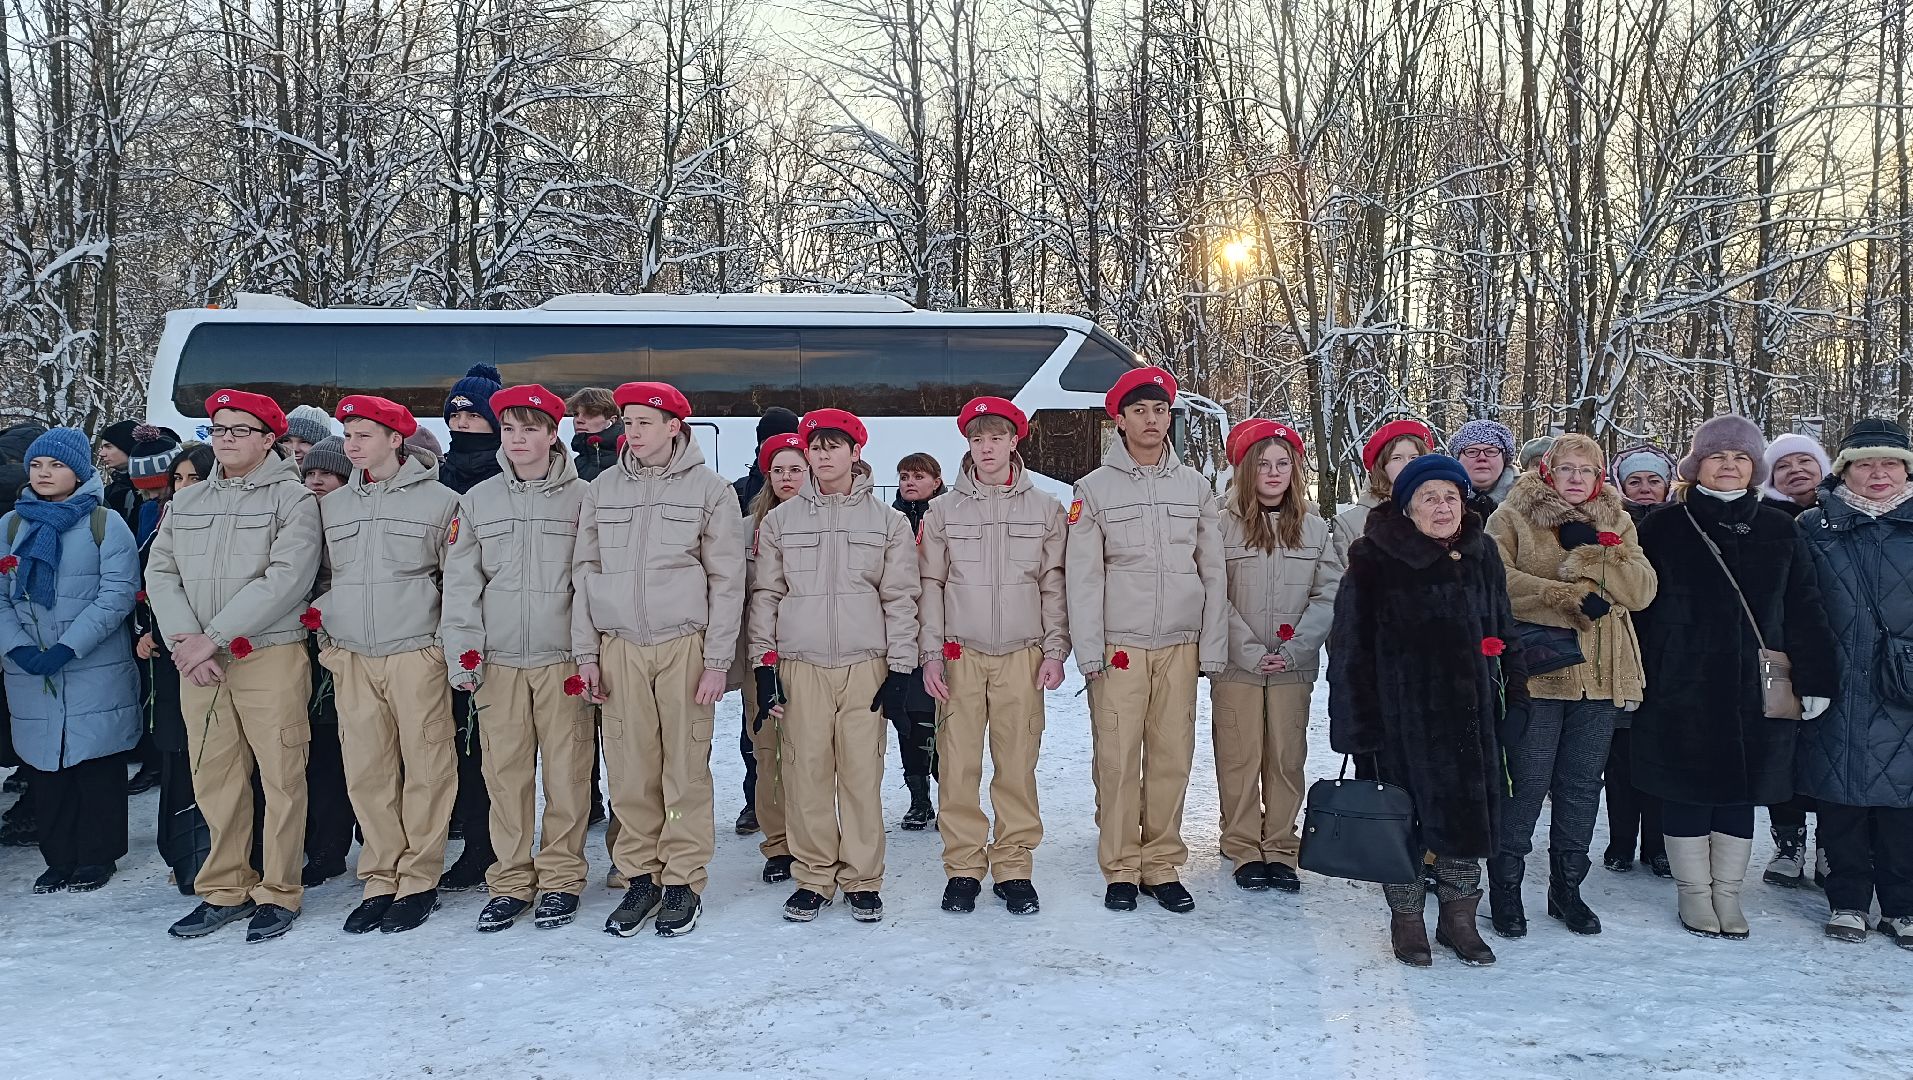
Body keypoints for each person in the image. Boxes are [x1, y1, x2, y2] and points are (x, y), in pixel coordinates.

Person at [1632, 415, 1838, 940]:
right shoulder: (1662, 526)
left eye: (1741, 457)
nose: (1729, 465)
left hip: (1755, 685)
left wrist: (1816, 677)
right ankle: (1693, 893)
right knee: (1684, 787)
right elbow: (1637, 613)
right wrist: (1635, 679)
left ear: (1754, 468)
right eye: (1717, 456)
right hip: (1678, 682)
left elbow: (1805, 606)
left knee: (1740, 790)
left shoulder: (1780, 527)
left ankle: (1727, 893)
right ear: (1697, 464)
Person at [1329, 454, 1526, 967]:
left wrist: (1516, 698)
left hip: (1473, 719)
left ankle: (1459, 919)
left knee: (1466, 821)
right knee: (1402, 826)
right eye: (1429, 498)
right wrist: (1357, 727)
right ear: (1407, 507)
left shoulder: (1482, 552)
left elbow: (1504, 628)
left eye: (1451, 497)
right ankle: (1408, 919)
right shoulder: (1373, 559)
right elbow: (1349, 649)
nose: (1443, 508)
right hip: (1401, 723)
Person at [146, 390, 321, 943]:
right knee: (214, 775)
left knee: (281, 775)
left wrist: (213, 638)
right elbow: (161, 571)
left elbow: (286, 578)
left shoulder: (293, 500)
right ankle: (225, 887)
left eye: (240, 430)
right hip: (199, 662)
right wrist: (186, 641)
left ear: (269, 440)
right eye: (219, 429)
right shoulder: (188, 502)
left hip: (266, 653)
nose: (225, 438)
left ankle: (279, 890)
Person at [575, 382, 745, 939]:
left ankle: (682, 879)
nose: (633, 431)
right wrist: (588, 653)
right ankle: (641, 875)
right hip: (620, 646)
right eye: (627, 422)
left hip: (683, 647)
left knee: (683, 771)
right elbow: (585, 573)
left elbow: (727, 581)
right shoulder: (602, 490)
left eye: (644, 422)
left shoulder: (711, 491)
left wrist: (717, 660)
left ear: (675, 426)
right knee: (630, 771)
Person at [747, 407, 919, 924]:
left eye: (832, 447)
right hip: (801, 667)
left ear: (855, 452)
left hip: (865, 667)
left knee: (861, 777)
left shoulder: (887, 522)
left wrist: (901, 670)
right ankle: (815, 876)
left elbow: (901, 598)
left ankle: (863, 879)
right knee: (807, 776)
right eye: (815, 448)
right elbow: (766, 595)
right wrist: (764, 665)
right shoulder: (780, 521)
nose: (822, 456)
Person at [1067, 366, 1227, 914]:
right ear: (1121, 420)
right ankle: (1120, 866)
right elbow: (1083, 578)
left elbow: (1213, 570)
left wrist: (1212, 645)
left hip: (1179, 644)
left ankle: (1160, 863)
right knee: (1116, 758)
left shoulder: (1195, 487)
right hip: (1120, 647)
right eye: (1139, 411)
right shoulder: (1093, 490)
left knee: (1171, 757)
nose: (1151, 420)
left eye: (1160, 410)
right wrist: (1089, 650)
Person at [1484, 434, 1657, 939]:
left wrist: (1594, 553)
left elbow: (1641, 591)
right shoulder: (1512, 516)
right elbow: (1496, 582)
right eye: (1567, 469)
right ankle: (1506, 889)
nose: (1577, 478)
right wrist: (1563, 596)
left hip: (1602, 677)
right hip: (1541, 675)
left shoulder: (1616, 520)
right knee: (1527, 785)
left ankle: (1567, 888)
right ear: (1547, 472)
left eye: (1587, 470)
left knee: (1581, 787)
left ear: (1600, 477)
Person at [442, 384, 593, 933]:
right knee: (504, 777)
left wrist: (588, 654)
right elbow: (462, 583)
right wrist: (464, 654)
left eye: (530, 429)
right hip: (499, 662)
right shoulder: (478, 500)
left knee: (567, 776)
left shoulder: (586, 499)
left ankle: (560, 878)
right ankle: (509, 880)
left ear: (553, 434)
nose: (517, 439)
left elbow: (590, 581)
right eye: (508, 429)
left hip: (561, 661)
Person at [917, 398, 1068, 915]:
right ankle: (963, 867)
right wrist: (931, 654)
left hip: (1021, 656)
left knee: (1017, 765)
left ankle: (1014, 867)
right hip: (960, 654)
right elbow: (930, 585)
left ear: (1014, 441)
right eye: (977, 439)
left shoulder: (1045, 509)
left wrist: (1055, 649)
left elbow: (1053, 584)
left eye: (996, 438)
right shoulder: (943, 511)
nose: (986, 448)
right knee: (958, 765)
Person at [318, 394, 461, 934]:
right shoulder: (333, 506)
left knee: (426, 767)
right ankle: (380, 877)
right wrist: (331, 637)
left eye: (364, 436)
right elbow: (321, 577)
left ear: (395, 440)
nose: (352, 446)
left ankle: (419, 878)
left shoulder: (441, 502)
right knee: (367, 771)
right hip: (354, 656)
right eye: (348, 436)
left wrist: (439, 646)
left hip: (414, 652)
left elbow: (457, 581)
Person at [0, 428, 140, 894]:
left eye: (56, 465)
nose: (44, 473)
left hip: (91, 663)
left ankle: (97, 856)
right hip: (29, 666)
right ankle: (58, 857)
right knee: (46, 766)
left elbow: (117, 593)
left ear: (78, 473)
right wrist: (17, 646)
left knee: (95, 762)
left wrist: (69, 645)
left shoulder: (104, 523)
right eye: (37, 465)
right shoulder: (11, 526)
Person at [1794, 418, 1913, 948]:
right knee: (1840, 794)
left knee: (1903, 803)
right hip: (1836, 682)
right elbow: (1795, 605)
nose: (1878, 473)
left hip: (1903, 685)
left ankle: (1902, 907)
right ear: (1844, 471)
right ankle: (1847, 901)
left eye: (1890, 463)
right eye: (1866, 464)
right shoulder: (1813, 527)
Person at [1210, 419, 1341, 895]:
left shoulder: (1313, 528)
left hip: (1292, 666)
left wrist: (1295, 649)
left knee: (1286, 757)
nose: (1273, 472)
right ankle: (1243, 845)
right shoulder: (1219, 524)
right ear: (1246, 469)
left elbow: (1328, 594)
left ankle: (1281, 846)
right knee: (1239, 755)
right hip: (1237, 665)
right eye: (1263, 464)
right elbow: (1212, 592)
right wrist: (1247, 650)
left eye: (1283, 463)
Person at [437, 363, 506, 893]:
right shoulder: (436, 479)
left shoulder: (505, 480)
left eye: (472, 415)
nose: (461, 423)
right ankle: (469, 836)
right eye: (455, 415)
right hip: (445, 626)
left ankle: (492, 846)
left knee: (492, 747)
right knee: (456, 740)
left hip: (502, 631)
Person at [135, 444, 215, 896]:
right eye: (177, 479)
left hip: (212, 646)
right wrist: (147, 630)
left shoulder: (222, 519)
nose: (183, 487)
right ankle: (182, 852)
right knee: (177, 753)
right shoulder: (163, 519)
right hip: (171, 651)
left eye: (193, 478)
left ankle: (214, 852)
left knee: (209, 755)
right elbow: (152, 582)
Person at [1755, 431, 1833, 888]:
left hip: (1841, 645)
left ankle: (1831, 845)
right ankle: (1788, 841)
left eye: (1805, 461)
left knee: (1832, 750)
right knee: (1782, 747)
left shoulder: (1844, 513)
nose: (1795, 471)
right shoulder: (1765, 520)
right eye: (1783, 466)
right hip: (1782, 646)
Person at [1603, 442, 1679, 877]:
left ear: (1667, 484)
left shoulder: (1680, 523)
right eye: (1635, 481)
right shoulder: (1610, 522)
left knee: (1662, 752)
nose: (1645, 488)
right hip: (1621, 648)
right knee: (1621, 754)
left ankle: (1658, 844)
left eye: (1654, 480)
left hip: (1668, 650)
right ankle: (1620, 841)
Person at [736, 432, 808, 886]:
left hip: (811, 653)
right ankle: (778, 843)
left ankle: (813, 837)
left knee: (813, 752)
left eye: (795, 469)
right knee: (768, 751)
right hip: (761, 656)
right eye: (778, 470)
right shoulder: (747, 530)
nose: (786, 478)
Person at [298, 436, 354, 886]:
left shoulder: (350, 519)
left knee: (339, 749)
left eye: (328, 474)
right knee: (316, 750)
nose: (317, 481)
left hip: (341, 642)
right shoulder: (297, 516)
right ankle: (320, 842)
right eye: (311, 473)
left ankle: (334, 844)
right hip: (302, 644)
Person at [887, 451, 946, 830]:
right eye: (905, 476)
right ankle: (919, 798)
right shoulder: (888, 519)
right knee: (909, 718)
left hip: (941, 631)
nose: (910, 482)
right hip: (902, 632)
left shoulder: (947, 516)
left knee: (942, 721)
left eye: (919, 476)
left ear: (936, 482)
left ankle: (949, 795)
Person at [124, 426, 181, 796]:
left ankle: (166, 763)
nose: (150, 495)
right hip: (147, 611)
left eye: (157, 488)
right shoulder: (147, 511)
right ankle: (155, 759)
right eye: (143, 489)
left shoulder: (177, 509)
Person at [1332, 419, 1430, 565]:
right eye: (1397, 458)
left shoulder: (1443, 512)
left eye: (1414, 457)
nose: (1407, 465)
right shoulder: (1349, 524)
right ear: (1381, 465)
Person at [734, 406, 802, 515]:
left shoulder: (815, 489)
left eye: (782, 443)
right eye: (768, 442)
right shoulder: (739, 490)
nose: (774, 449)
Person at [1448, 419, 1519, 514]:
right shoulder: (1436, 502)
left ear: (1504, 459)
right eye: (1472, 452)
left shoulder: (1531, 501)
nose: (1482, 458)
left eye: (1491, 451)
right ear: (1457, 460)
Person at [566, 387, 623, 484]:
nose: (578, 420)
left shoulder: (630, 462)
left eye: (589, 413)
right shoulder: (570, 467)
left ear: (612, 420)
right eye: (576, 414)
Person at [97, 419, 142, 530]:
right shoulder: (110, 490)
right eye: (102, 448)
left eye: (108, 447)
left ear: (127, 446)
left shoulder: (153, 490)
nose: (101, 453)